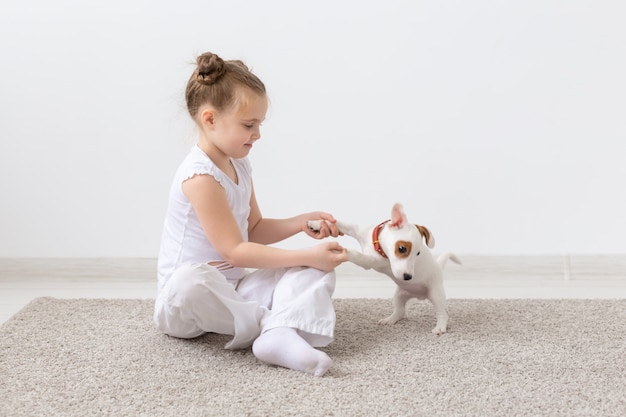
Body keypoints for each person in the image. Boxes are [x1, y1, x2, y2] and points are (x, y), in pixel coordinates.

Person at [154, 52, 348, 377]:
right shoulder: (200, 177)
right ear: (210, 119)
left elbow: (253, 228)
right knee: (189, 281)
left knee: (312, 268)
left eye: (258, 124)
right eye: (249, 125)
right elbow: (234, 250)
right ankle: (277, 325)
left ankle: (275, 332)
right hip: (185, 304)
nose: (257, 134)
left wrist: (301, 224)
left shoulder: (239, 164)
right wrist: (307, 253)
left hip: (233, 290)